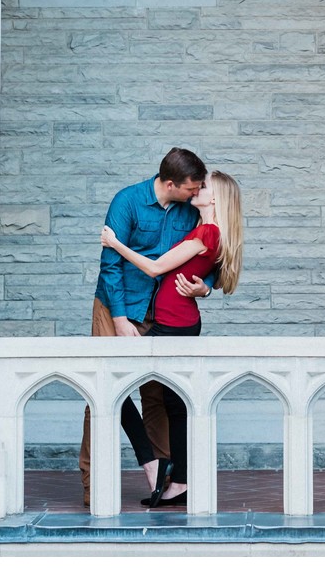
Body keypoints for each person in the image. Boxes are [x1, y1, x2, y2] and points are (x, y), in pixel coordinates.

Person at [78, 147, 215, 509]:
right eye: (192, 187)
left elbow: (207, 256)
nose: (197, 192)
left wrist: (206, 286)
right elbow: (110, 265)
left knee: (159, 394)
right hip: (116, 305)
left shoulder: (191, 212)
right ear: (171, 183)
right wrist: (121, 319)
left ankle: (164, 481)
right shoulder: (127, 201)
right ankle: (95, 487)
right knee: (103, 394)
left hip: (163, 313)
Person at [100, 169, 243, 506]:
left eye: (204, 186)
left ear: (215, 198)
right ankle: (180, 482)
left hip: (172, 325)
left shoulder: (207, 231)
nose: (197, 187)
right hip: (180, 322)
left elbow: (154, 268)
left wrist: (115, 243)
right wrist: (204, 287)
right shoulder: (205, 230)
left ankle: (153, 462)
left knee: (112, 391)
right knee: (176, 405)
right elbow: (213, 277)